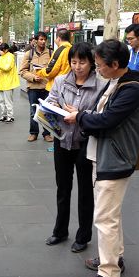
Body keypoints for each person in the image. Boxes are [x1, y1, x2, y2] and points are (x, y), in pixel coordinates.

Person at [64, 39, 139, 277]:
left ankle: (109, 274)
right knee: (110, 215)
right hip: (102, 155)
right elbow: (98, 115)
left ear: (115, 64)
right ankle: (113, 257)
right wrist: (82, 114)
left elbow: (107, 120)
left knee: (104, 217)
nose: (96, 69)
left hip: (116, 159)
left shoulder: (132, 89)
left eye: (99, 65)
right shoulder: (114, 82)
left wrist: (80, 116)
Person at [44, 42, 107, 254]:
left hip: (85, 143)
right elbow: (50, 103)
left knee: (85, 192)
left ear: (91, 63)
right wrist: (59, 110)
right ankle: (60, 231)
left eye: (82, 62)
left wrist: (80, 114)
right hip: (62, 141)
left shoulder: (101, 85)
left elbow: (102, 116)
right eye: (73, 62)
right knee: (63, 188)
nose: (77, 66)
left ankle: (83, 236)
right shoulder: (61, 81)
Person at [19, 31, 53, 142]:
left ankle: (47, 133)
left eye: (44, 40)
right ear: (36, 40)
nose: (43, 42)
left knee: (46, 112)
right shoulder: (29, 53)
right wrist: (33, 77)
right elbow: (22, 71)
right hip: (33, 87)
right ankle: (33, 133)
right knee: (33, 111)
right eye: (41, 39)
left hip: (47, 87)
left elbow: (54, 70)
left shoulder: (51, 53)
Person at [0, 42, 20, 122]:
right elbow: (1, 67)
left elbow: (7, 67)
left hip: (8, 81)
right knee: (1, 100)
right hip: (2, 81)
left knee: (8, 100)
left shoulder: (10, 57)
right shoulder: (2, 57)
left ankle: (10, 116)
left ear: (6, 50)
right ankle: (3, 115)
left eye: (1, 50)